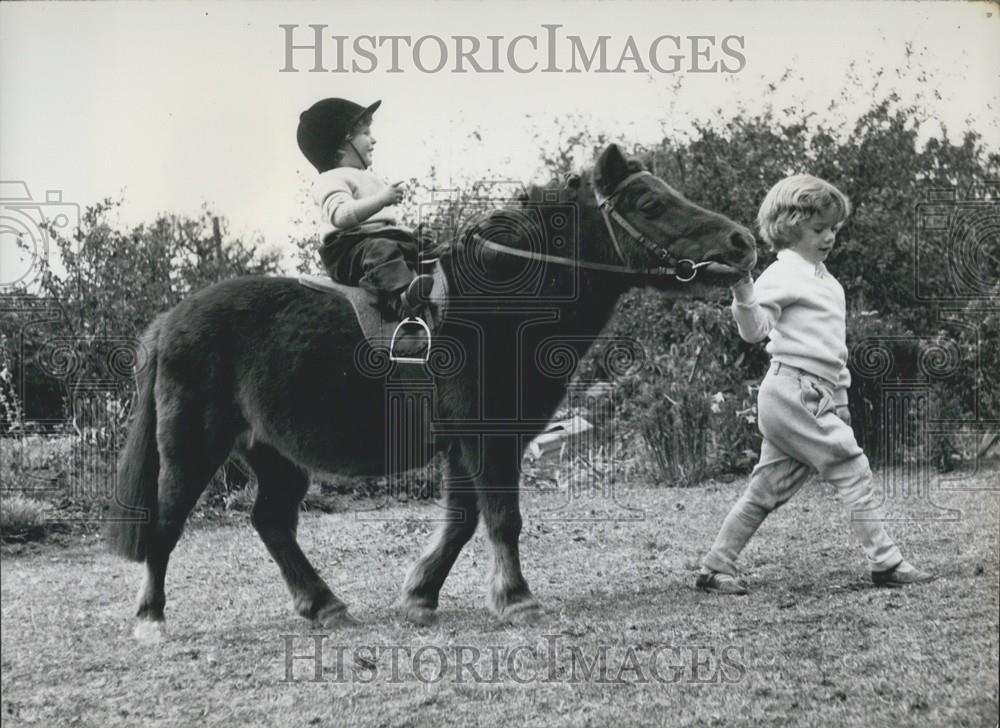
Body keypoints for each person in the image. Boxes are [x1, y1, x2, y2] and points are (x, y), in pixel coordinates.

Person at [696, 174, 935, 594]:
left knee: (766, 489)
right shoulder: (779, 274)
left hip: (814, 392)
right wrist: (741, 287)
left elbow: (833, 350)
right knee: (853, 467)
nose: (829, 237)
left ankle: (715, 567)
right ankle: (886, 563)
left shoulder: (829, 283)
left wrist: (840, 398)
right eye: (819, 228)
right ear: (789, 227)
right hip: (793, 389)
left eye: (834, 229)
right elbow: (755, 331)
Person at [297, 97, 434, 320]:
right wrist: (381, 200)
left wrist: (412, 235)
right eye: (366, 133)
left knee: (425, 251)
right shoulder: (331, 179)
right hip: (348, 250)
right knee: (380, 249)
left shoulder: (367, 178)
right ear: (342, 142)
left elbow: (382, 225)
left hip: (373, 244)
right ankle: (400, 301)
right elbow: (342, 216)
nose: (374, 140)